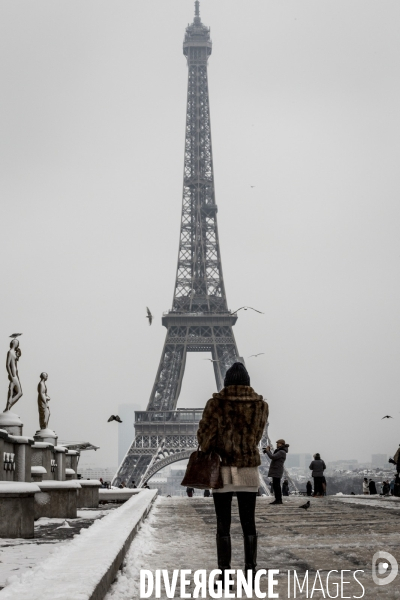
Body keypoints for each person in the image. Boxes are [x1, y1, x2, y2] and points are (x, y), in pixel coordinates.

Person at [197, 362, 268, 586]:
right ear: (248, 381)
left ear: (226, 381)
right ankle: (251, 572)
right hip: (247, 468)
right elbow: (257, 436)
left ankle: (225, 575)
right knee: (249, 523)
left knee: (223, 524)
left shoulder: (215, 404)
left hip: (223, 469)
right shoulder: (260, 405)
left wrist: (216, 444)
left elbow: (205, 438)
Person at [264, 440, 289, 505]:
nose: (277, 444)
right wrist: (268, 451)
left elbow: (272, 457)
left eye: (278, 443)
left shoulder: (281, 452)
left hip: (277, 470)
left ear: (281, 444)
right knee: (276, 485)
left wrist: (268, 451)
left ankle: (278, 499)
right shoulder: (281, 451)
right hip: (277, 469)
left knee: (276, 485)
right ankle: (278, 499)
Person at [5, 339, 23, 411]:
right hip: (13, 376)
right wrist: (11, 375)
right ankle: (8, 407)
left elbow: (15, 363)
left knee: (14, 392)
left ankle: (8, 406)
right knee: (18, 392)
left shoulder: (13, 353)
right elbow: (7, 365)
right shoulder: (10, 352)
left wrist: (18, 355)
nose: (18, 345)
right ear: (14, 343)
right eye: (17, 343)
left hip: (15, 376)